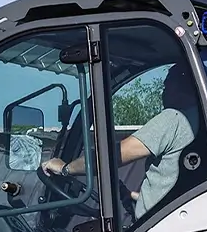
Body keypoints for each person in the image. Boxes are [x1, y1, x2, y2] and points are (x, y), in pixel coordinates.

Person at [41, 63, 199, 219]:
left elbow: (111, 157)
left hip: (158, 224)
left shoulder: (175, 119)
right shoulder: (200, 123)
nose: (163, 93)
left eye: (167, 86)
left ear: (182, 86)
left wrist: (65, 168)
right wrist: (135, 196)